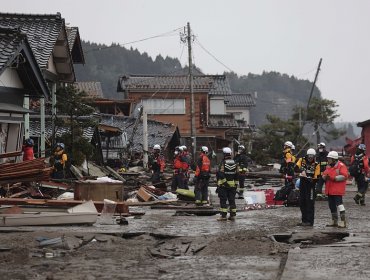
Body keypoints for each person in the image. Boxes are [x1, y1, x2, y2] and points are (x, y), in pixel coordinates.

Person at [322, 151, 349, 228]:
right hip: (330, 190)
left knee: (339, 205)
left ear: (334, 159)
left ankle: (343, 221)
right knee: (331, 205)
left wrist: (333, 178)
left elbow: (345, 176)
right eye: (328, 158)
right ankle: (334, 221)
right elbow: (324, 174)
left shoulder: (341, 166)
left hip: (337, 190)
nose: (328, 160)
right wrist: (324, 177)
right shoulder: (328, 166)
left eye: (329, 158)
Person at [295, 148, 320, 226]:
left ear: (314, 156)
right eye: (309, 156)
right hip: (302, 183)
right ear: (307, 155)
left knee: (310, 203)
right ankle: (304, 220)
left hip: (311, 185)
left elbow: (317, 177)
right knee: (302, 202)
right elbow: (296, 168)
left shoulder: (316, 164)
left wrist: (310, 179)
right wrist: (301, 171)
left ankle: (310, 221)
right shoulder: (301, 160)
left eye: (312, 156)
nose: (310, 158)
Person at [216, 147, 239, 221]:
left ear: (224, 154)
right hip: (232, 186)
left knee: (223, 200)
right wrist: (235, 185)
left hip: (223, 186)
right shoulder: (235, 163)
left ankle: (223, 216)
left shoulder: (223, 163)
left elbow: (220, 174)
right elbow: (237, 175)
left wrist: (225, 182)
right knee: (232, 200)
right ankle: (232, 216)